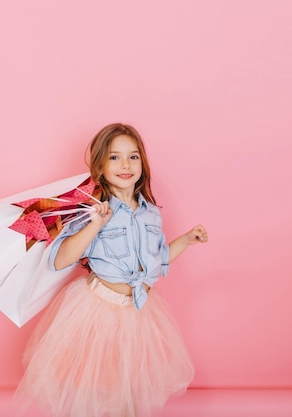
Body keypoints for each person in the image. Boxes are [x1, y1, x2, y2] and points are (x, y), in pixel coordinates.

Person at [15, 123, 208, 417]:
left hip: (139, 311)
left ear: (143, 162)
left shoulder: (150, 212)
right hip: (99, 309)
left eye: (133, 157)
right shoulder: (92, 210)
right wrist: (95, 225)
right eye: (115, 157)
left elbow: (157, 261)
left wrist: (185, 241)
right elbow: (60, 259)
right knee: (95, 387)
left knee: (128, 387)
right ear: (100, 164)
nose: (125, 165)